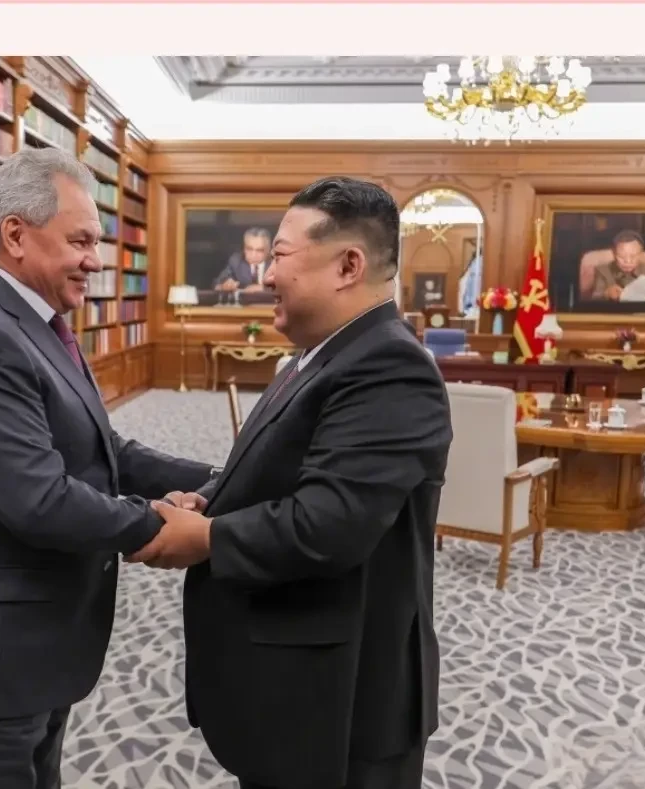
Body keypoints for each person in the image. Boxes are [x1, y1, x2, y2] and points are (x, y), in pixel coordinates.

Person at [0, 147, 215, 789]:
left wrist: (220, 479)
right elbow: (38, 499)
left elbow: (104, 450)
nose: (97, 260)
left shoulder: (37, 324)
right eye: (81, 241)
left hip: (31, 640)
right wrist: (158, 524)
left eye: (98, 242)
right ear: (15, 235)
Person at [127, 177, 453, 789]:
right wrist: (210, 501)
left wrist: (206, 537)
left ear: (348, 266)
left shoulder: (389, 366)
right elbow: (278, 474)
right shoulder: (320, 353)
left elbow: (330, 522)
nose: (267, 275)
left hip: (343, 701)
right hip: (296, 686)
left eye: (279, 255)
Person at [590, 229, 645, 302]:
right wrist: (607, 294)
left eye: (633, 256)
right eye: (621, 256)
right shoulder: (603, 270)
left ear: (641, 254)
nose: (628, 261)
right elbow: (594, 299)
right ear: (614, 254)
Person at [213, 227, 272, 291]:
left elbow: (280, 287)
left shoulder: (276, 263)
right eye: (249, 249)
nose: (253, 255)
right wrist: (224, 286)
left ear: (268, 250)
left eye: (259, 250)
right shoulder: (236, 261)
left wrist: (263, 288)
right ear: (244, 248)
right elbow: (217, 284)